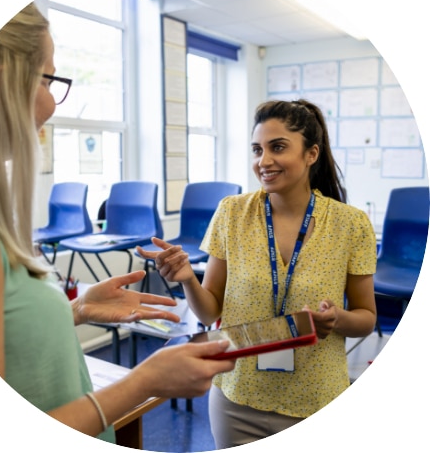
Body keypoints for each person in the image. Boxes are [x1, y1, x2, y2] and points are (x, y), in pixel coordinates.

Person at [0, 2, 235, 442]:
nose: (52, 102)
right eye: (49, 78)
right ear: (2, 78)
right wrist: (144, 382)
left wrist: (75, 309)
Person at [137, 99, 378, 448]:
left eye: (277, 147)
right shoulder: (232, 213)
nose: (263, 161)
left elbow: (366, 318)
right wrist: (188, 277)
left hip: (316, 399)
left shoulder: (350, 223)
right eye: (257, 149)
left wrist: (337, 318)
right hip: (237, 394)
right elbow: (209, 311)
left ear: (311, 154)